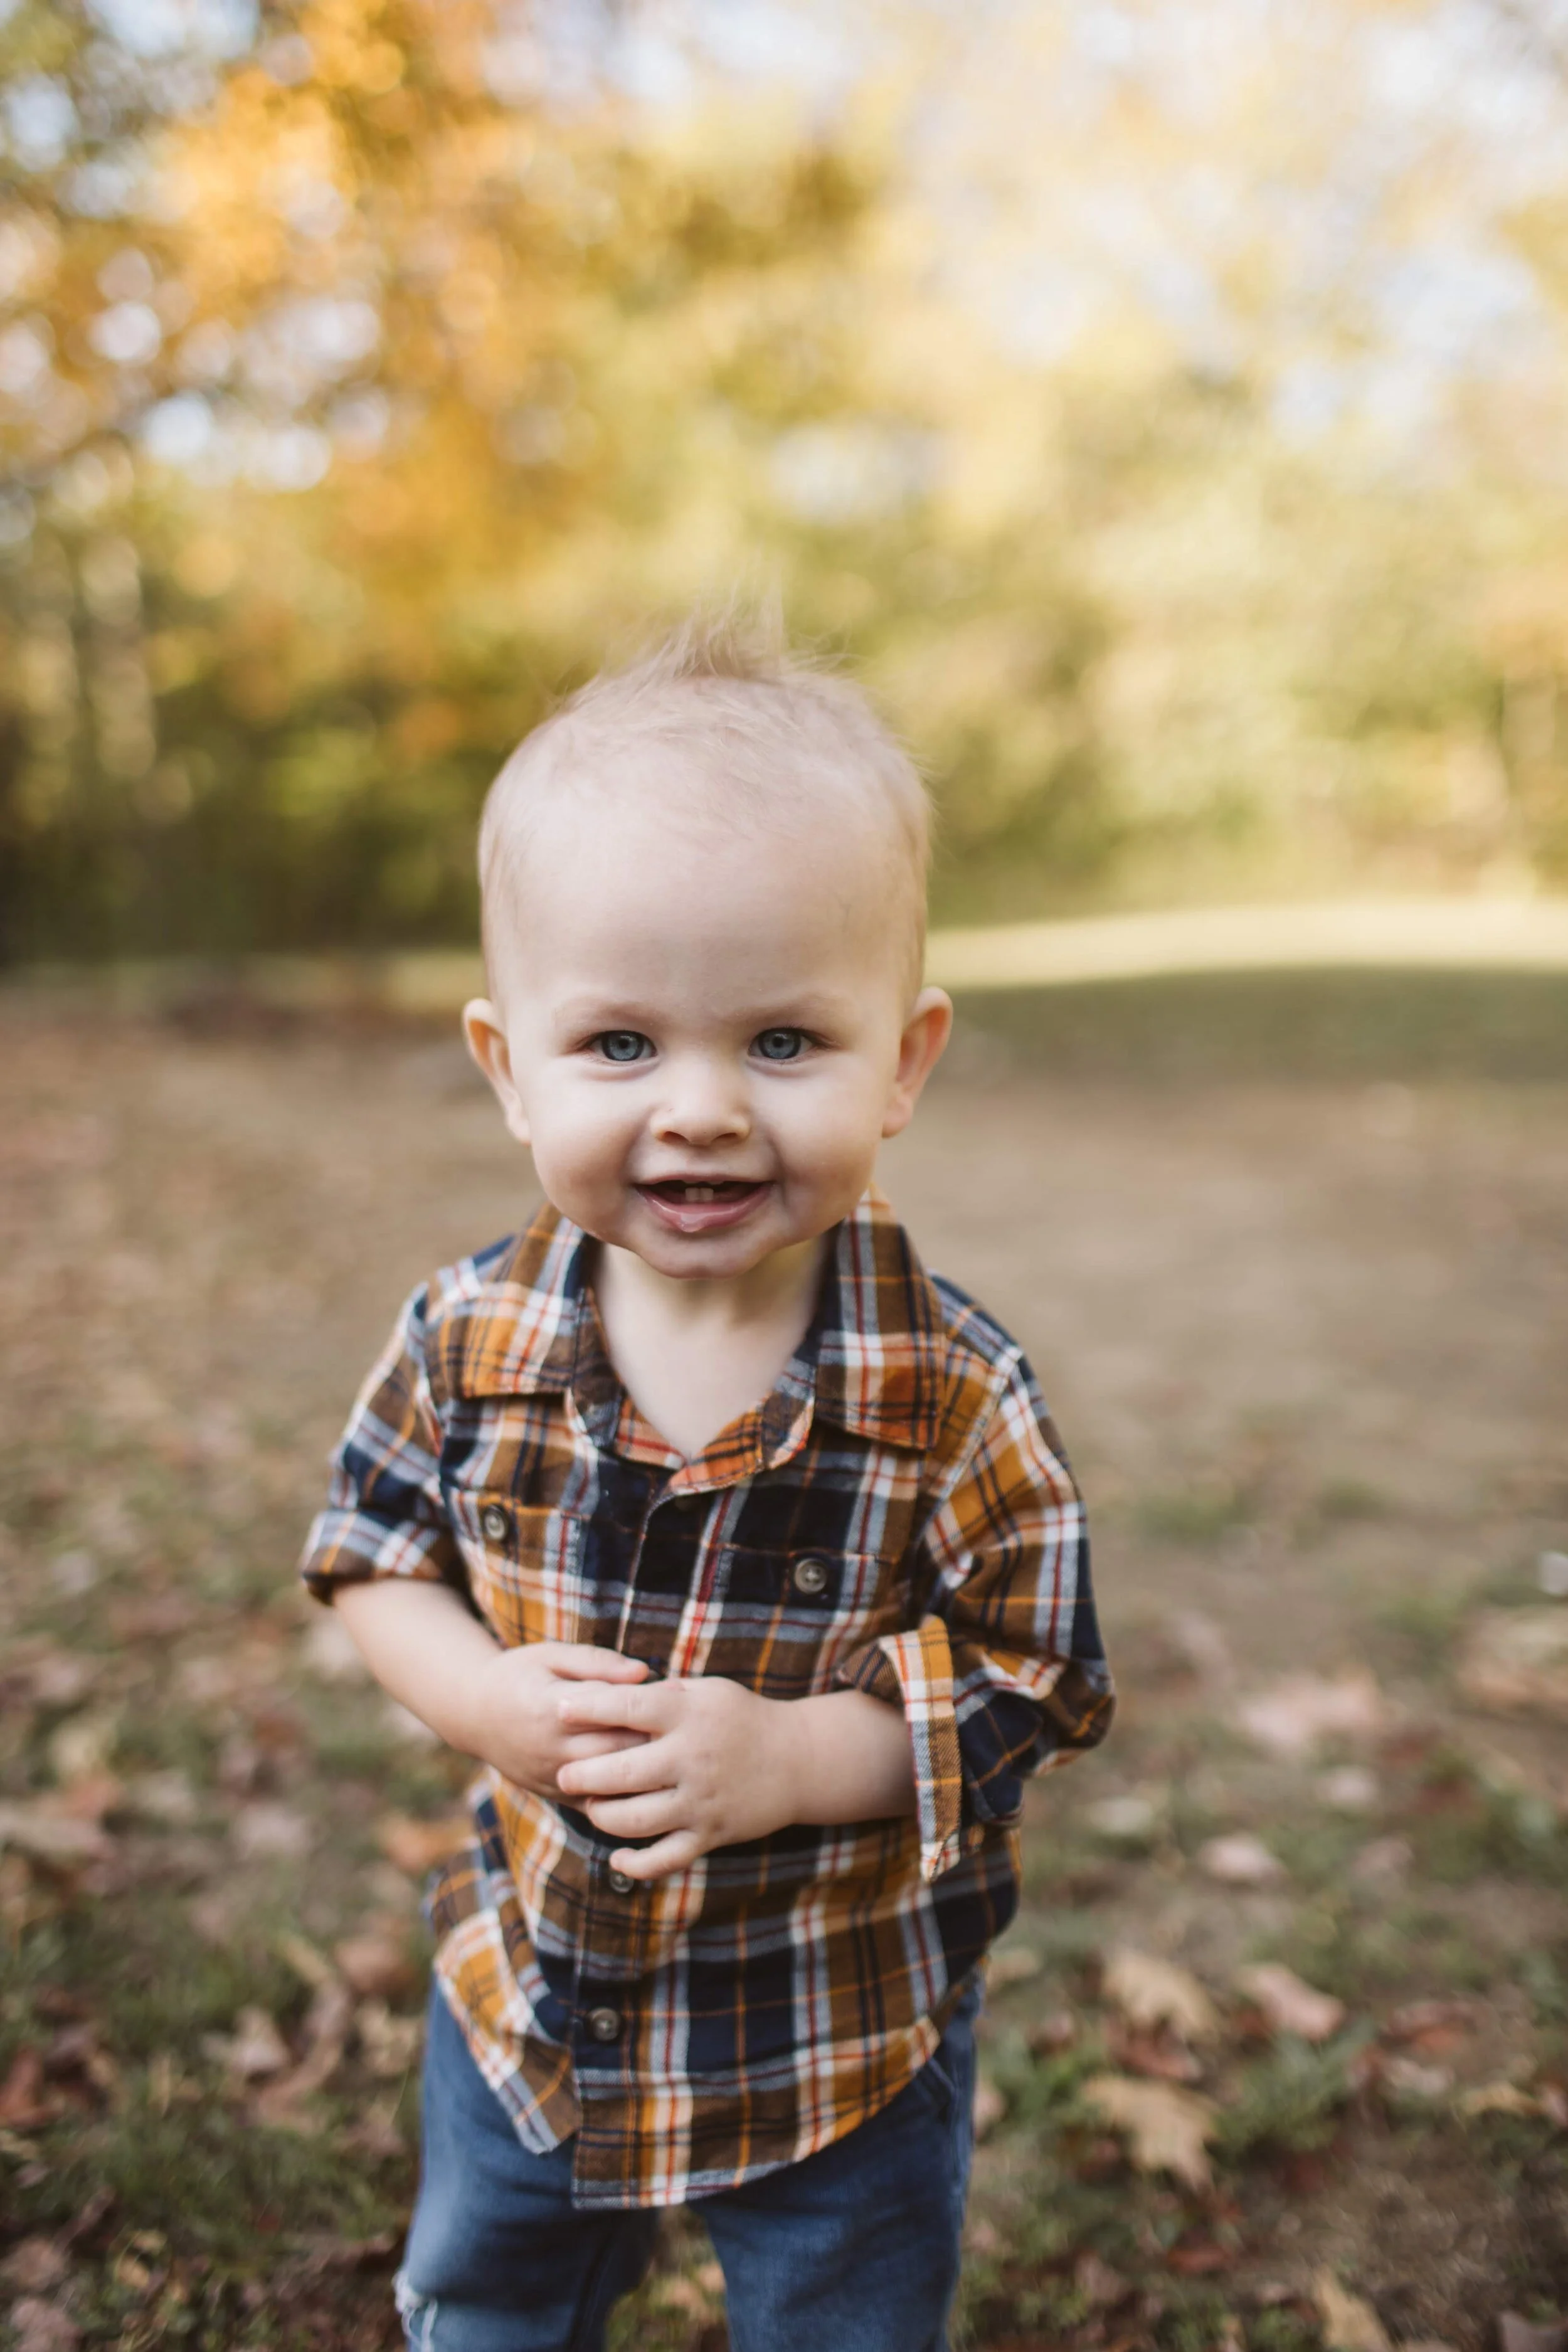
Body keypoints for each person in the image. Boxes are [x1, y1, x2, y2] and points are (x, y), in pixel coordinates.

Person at [299, 614, 1115, 2352]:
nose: (698, 1111)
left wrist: (800, 1754)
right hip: (536, 1999)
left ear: (902, 1058)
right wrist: (487, 1699)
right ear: (506, 1067)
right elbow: (371, 1554)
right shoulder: (467, 1335)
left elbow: (1037, 1677)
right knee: (491, 2296)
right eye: (617, 1045)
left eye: (781, 1041)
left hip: (832, 2024)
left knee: (838, 2317)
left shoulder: (951, 1388)